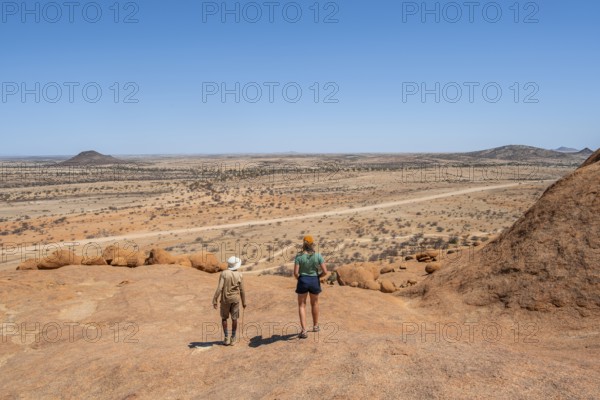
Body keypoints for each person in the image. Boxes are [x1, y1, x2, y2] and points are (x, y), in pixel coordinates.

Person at [294, 235, 328, 339]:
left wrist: (300, 279)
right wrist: (318, 277)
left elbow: (295, 273)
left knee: (302, 305)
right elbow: (325, 271)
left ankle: (304, 331)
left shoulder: (299, 256)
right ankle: (316, 326)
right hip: (314, 280)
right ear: (312, 244)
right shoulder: (318, 256)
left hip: (303, 280)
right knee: (315, 303)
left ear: (303, 244)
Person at [213, 256, 246, 346]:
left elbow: (220, 288)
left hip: (225, 299)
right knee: (234, 318)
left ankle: (226, 338)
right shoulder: (240, 275)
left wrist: (215, 299)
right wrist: (244, 302)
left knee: (224, 318)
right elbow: (242, 290)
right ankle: (233, 338)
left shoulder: (224, 273)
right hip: (235, 299)